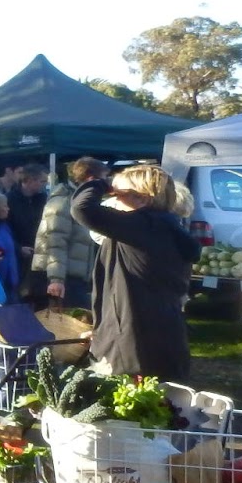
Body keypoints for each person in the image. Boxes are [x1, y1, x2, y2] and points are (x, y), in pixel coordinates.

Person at [71, 163, 198, 383]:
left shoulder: (145, 226)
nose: (114, 198)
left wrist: (104, 183)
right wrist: (102, 332)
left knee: (128, 414)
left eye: (121, 194)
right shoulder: (165, 228)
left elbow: (82, 208)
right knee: (163, 409)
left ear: (143, 199)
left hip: (133, 348)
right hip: (162, 337)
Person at [34, 157, 105, 311]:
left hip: (74, 275)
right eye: (103, 180)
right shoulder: (64, 202)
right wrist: (56, 279)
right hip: (64, 278)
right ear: (92, 179)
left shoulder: (77, 201)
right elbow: (56, 242)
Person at [7, 162, 50, 304]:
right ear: (30, 180)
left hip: (41, 258)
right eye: (42, 181)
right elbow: (2, 231)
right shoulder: (9, 200)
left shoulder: (44, 200)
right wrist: (18, 248)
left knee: (41, 300)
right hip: (18, 261)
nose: (45, 184)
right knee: (21, 300)